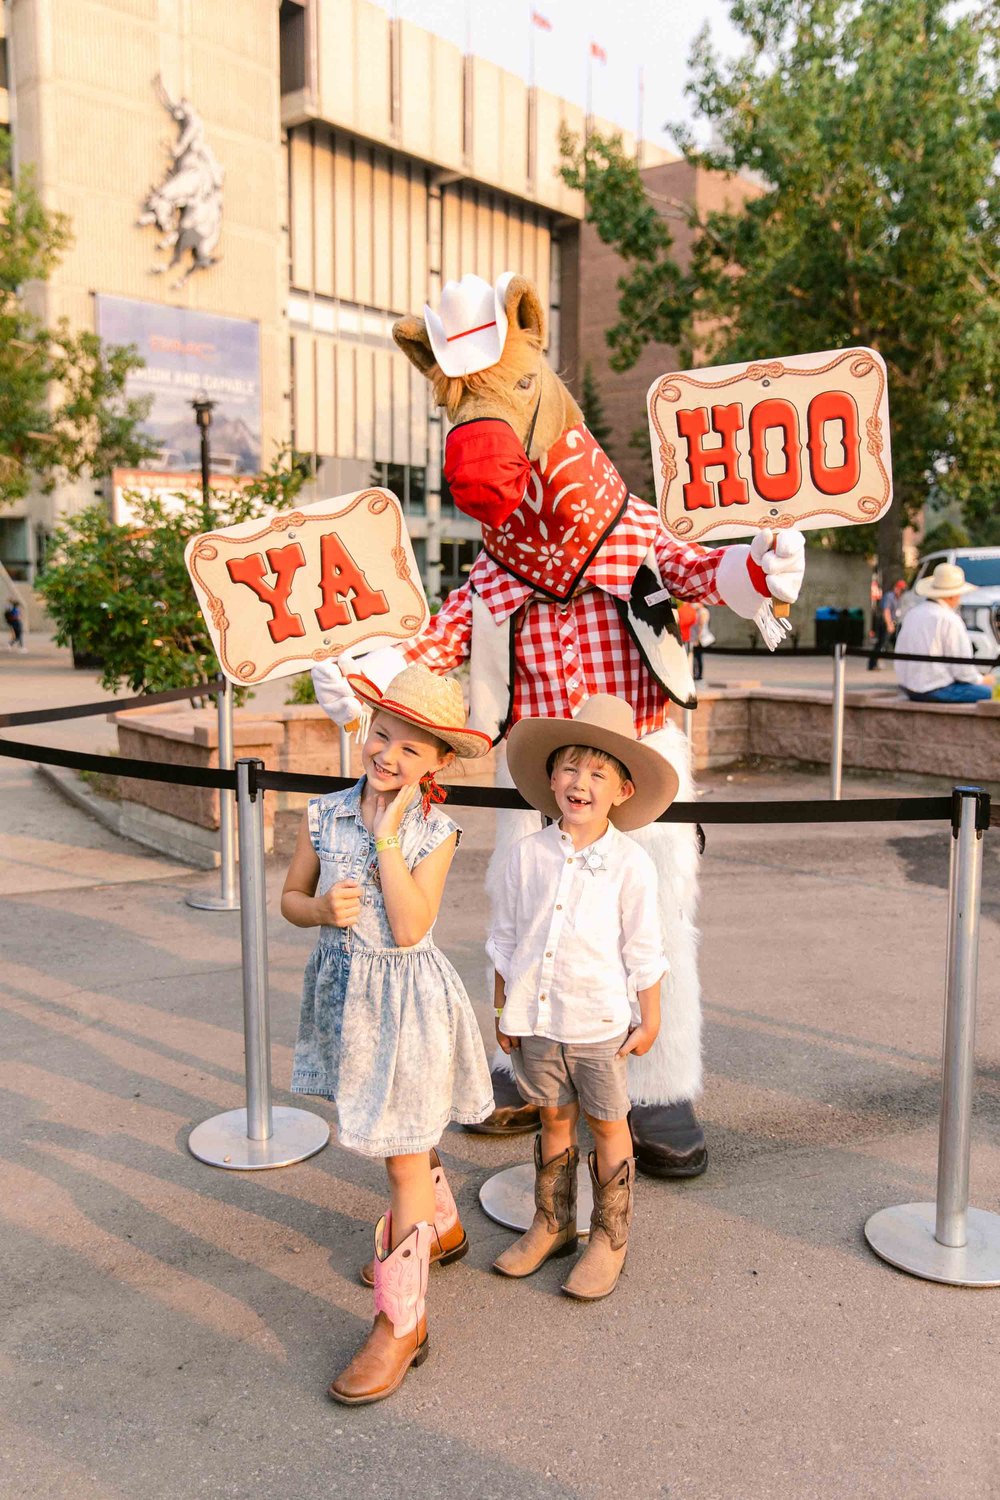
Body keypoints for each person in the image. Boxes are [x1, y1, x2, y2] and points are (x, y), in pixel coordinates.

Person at [281, 664, 495, 1405]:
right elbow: (290, 898)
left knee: (400, 1153)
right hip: (349, 999)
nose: (389, 754)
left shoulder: (434, 831)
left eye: (412, 747)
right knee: (398, 1126)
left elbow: (409, 929)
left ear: (439, 763)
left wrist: (388, 839)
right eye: (383, 734)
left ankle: (402, 1323)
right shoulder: (324, 813)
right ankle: (441, 1226)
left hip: (406, 1005)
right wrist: (318, 913)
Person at [487, 694, 676, 1302]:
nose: (580, 782)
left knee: (608, 1121)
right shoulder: (525, 857)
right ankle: (552, 1222)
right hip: (538, 1020)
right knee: (553, 1116)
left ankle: (609, 1235)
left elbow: (645, 949)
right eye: (570, 767)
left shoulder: (630, 866)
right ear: (550, 777)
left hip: (598, 1024)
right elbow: (506, 940)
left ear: (622, 789)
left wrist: (651, 1019)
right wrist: (503, 1009)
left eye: (598, 772)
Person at [894, 563, 993, 704]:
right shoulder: (950, 619)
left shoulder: (913, 614)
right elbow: (963, 670)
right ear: (953, 595)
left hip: (910, 688)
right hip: (937, 689)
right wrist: (983, 680)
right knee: (995, 692)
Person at [868, 578, 906, 669]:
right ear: (896, 588)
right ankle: (872, 664)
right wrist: (889, 624)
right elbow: (886, 611)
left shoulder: (899, 599)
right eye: (901, 589)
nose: (902, 592)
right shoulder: (889, 596)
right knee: (881, 644)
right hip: (885, 622)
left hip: (894, 623)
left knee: (896, 643)